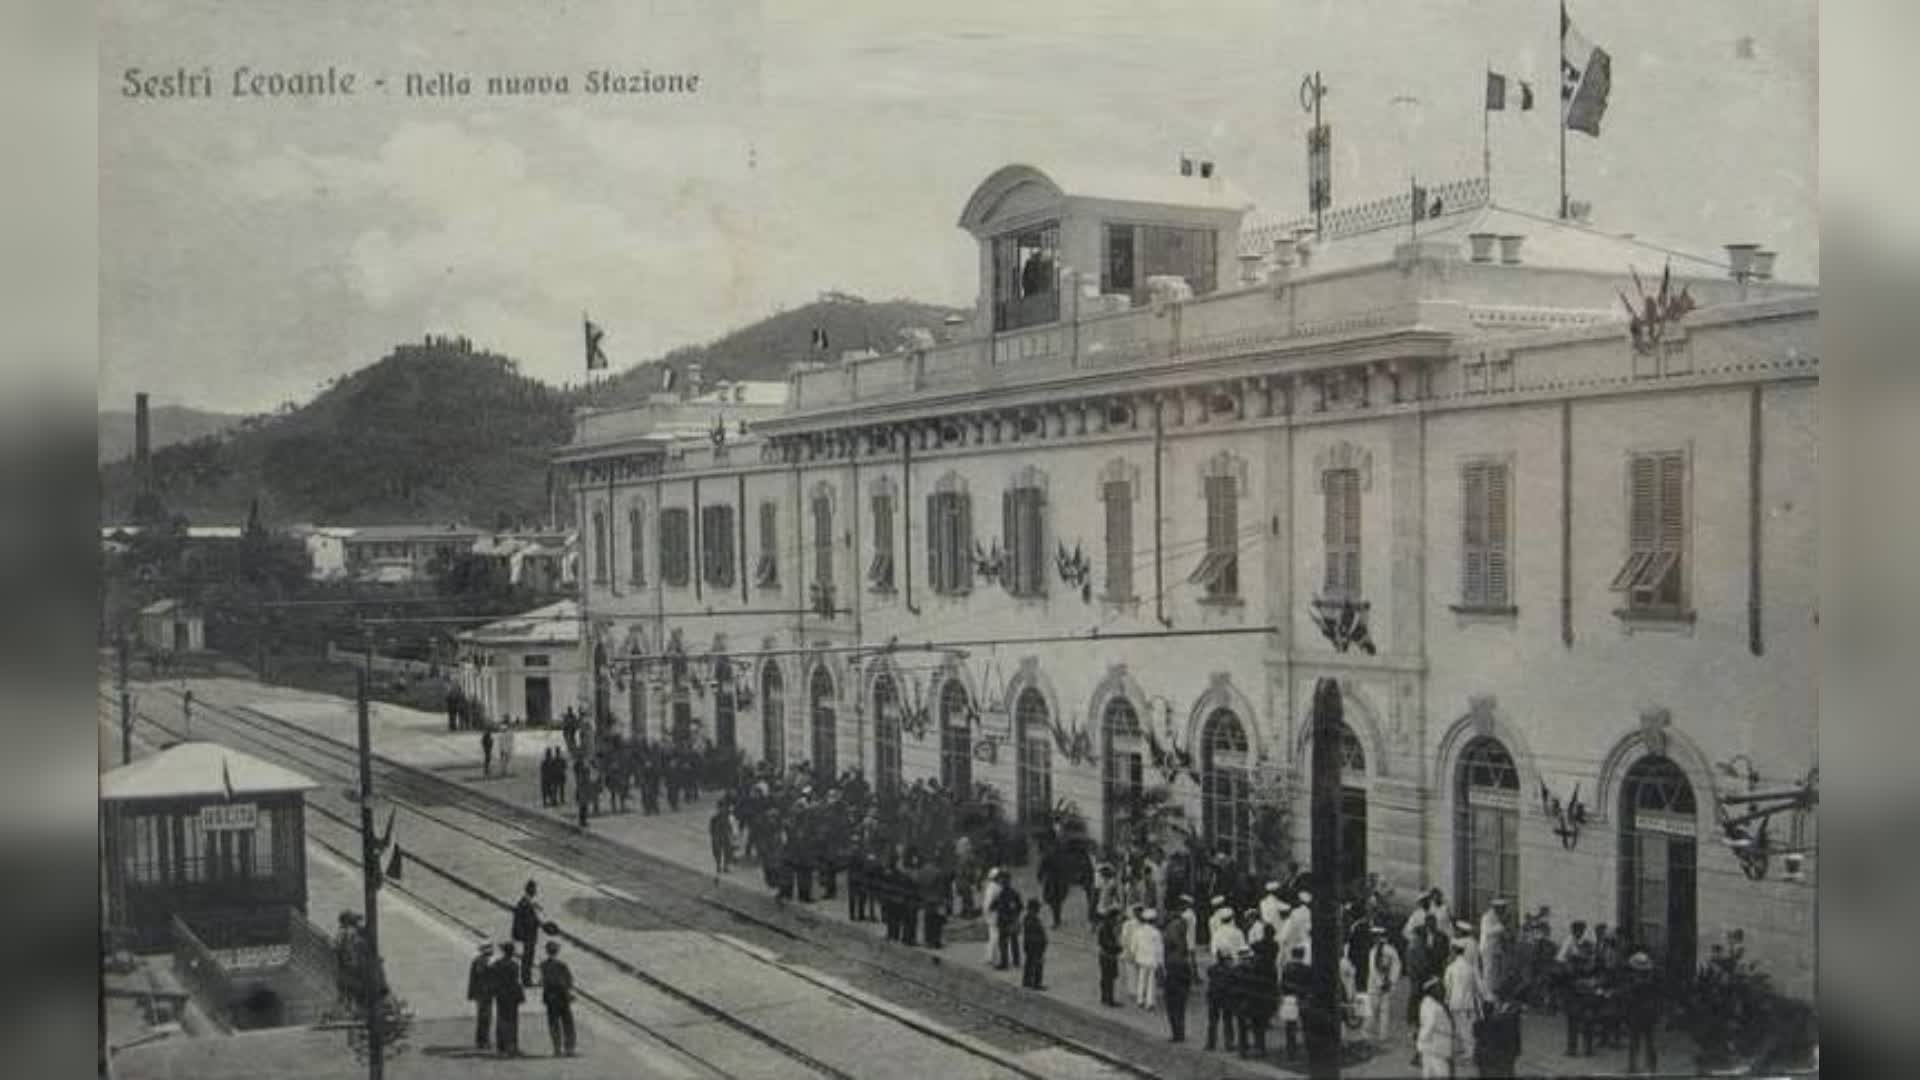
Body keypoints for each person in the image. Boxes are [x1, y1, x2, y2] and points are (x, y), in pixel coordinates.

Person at [1444, 936, 1487, 1065]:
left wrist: (1446, 1000)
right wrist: (1483, 999)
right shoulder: (1471, 967)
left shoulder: (1450, 968)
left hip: (1455, 1002)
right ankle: (1468, 1049)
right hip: (1469, 1003)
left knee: (1460, 1027)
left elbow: (1448, 986)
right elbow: (1479, 986)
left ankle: (1469, 1052)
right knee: (1468, 1026)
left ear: (1454, 951)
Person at [1622, 950, 1663, 1074]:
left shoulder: (1635, 981)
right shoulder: (1653, 979)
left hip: (1637, 1014)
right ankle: (1651, 1066)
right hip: (1650, 1013)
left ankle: (1633, 1066)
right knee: (1650, 1041)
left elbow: (1629, 998)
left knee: (1635, 1041)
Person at [1163, 901, 1196, 1043]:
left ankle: (1177, 1034)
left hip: (1173, 984)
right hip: (1181, 984)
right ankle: (1179, 1033)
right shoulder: (1183, 956)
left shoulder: (1171, 958)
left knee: (1173, 1009)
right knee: (1180, 1010)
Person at [1366, 925, 1404, 1045]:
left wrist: (1384, 982)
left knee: (1373, 1009)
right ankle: (1383, 1035)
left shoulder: (1374, 951)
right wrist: (1391, 981)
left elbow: (1373, 969)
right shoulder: (1391, 949)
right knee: (1383, 1010)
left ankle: (1370, 1033)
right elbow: (1397, 965)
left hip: (1377, 984)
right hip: (1385, 982)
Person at [1416, 976, 1459, 1080]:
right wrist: (1421, 1041)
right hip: (1436, 1048)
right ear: (1431, 990)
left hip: (1433, 1047)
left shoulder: (1431, 1003)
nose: (1442, 990)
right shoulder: (1432, 1006)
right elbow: (1429, 1025)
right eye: (1438, 988)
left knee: (1428, 1073)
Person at [540, 941, 577, 1057]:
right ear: (557, 951)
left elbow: (544, 981)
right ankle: (569, 1047)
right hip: (562, 997)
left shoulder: (543, 965)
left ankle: (557, 1047)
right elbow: (568, 981)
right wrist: (568, 993)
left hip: (550, 998)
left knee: (553, 1023)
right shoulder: (562, 965)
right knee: (567, 1023)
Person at [492, 943, 525, 1056]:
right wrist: (520, 996)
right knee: (512, 1021)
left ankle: (501, 1046)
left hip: (501, 995)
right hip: (511, 996)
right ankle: (512, 1045)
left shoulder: (497, 964)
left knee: (501, 1019)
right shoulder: (514, 965)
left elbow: (493, 979)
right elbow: (516, 982)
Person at [1279, 944, 1311, 1060]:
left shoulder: (1286, 968)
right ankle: (1309, 1049)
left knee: (1290, 1027)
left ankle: (1291, 1052)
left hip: (1289, 1000)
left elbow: (1282, 985)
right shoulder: (1307, 969)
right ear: (1302, 955)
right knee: (1307, 1026)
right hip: (1303, 999)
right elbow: (1310, 986)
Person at [1205, 945, 1240, 1052]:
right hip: (1226, 998)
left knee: (1213, 1022)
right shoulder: (1231, 971)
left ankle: (1211, 1043)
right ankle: (1229, 1044)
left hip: (1214, 997)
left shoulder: (1212, 969)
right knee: (1227, 1021)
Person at [511, 880, 543, 987]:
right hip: (527, 935)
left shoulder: (529, 903)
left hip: (530, 935)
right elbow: (519, 920)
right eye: (534, 889)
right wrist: (522, 936)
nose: (535, 891)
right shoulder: (524, 903)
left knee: (529, 957)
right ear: (530, 890)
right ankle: (526, 979)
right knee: (527, 958)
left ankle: (527, 978)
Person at [1132, 907, 1164, 1010]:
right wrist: (1161, 962)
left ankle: (1140, 999)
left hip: (1141, 958)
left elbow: (1134, 945)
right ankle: (1150, 1002)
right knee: (1151, 982)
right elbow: (1159, 948)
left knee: (1141, 979)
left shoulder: (1139, 931)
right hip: (1152, 959)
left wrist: (1134, 954)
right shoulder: (1156, 933)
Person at [991, 869, 1023, 970]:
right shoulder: (1013, 893)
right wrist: (1016, 915)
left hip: (1004, 920)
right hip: (1012, 919)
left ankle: (1005, 963)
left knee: (1004, 942)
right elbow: (1020, 906)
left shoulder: (1001, 894)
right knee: (1013, 941)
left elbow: (993, 906)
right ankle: (1016, 961)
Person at [467, 943, 495, 1050]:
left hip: (482, 993)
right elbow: (480, 975)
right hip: (484, 993)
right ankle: (483, 1041)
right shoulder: (482, 961)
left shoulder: (480, 960)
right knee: (485, 1017)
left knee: (484, 1017)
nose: (492, 950)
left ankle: (482, 1040)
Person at [1096, 908, 1123, 1006]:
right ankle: (1110, 1000)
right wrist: (1119, 948)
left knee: (1105, 977)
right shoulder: (1106, 928)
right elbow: (1107, 943)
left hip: (1105, 955)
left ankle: (1104, 997)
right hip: (1108, 956)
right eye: (1116, 918)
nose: (1117, 920)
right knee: (1109, 978)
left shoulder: (1105, 926)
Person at [1020, 898, 1049, 989]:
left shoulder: (1027, 918)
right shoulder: (1033, 920)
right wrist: (1042, 943)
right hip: (1035, 946)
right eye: (1037, 908)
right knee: (1037, 965)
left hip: (1029, 945)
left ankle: (1027, 981)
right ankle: (1037, 983)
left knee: (1029, 963)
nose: (1038, 910)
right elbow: (1037, 934)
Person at [982, 865, 1006, 966]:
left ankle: (991, 956)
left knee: (993, 935)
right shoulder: (997, 887)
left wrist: (985, 912)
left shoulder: (991, 887)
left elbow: (987, 903)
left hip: (993, 913)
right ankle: (992, 956)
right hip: (995, 913)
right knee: (994, 935)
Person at [709, 800, 734, 876]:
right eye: (720, 808)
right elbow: (711, 829)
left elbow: (730, 826)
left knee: (728, 851)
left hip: (725, 836)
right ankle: (718, 865)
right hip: (717, 836)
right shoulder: (714, 818)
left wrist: (731, 835)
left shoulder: (728, 816)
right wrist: (714, 836)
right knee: (717, 852)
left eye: (723, 807)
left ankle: (726, 866)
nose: (722, 809)